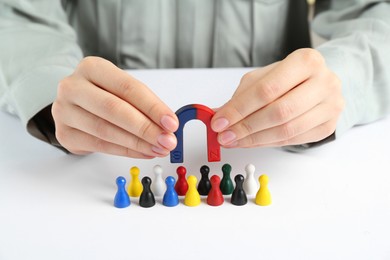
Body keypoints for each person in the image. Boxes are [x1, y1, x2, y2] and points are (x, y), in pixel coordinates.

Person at [0, 0, 389, 158]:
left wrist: (339, 82)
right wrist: (53, 96)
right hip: (97, 166)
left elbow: (375, 12)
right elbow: (16, 14)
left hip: (273, 161)